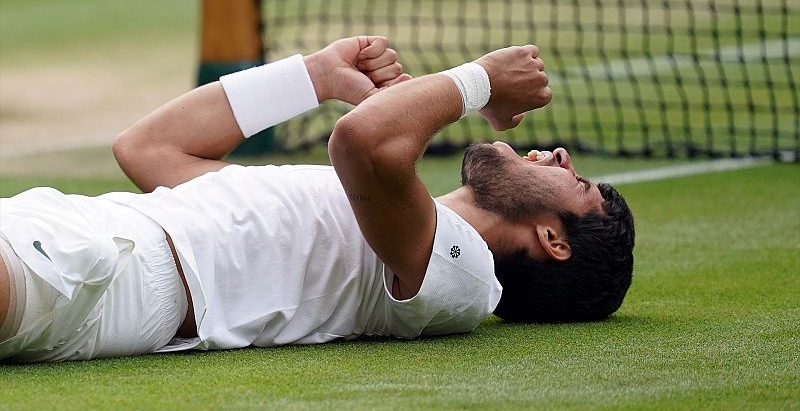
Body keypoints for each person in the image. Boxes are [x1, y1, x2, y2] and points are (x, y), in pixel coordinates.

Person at [0, 36, 634, 363]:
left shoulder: (467, 281)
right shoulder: (362, 210)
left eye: (577, 183)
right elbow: (149, 150)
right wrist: (314, 76)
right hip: (74, 235)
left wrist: (481, 81)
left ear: (553, 242)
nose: (558, 156)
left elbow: (364, 140)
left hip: (100, 273)